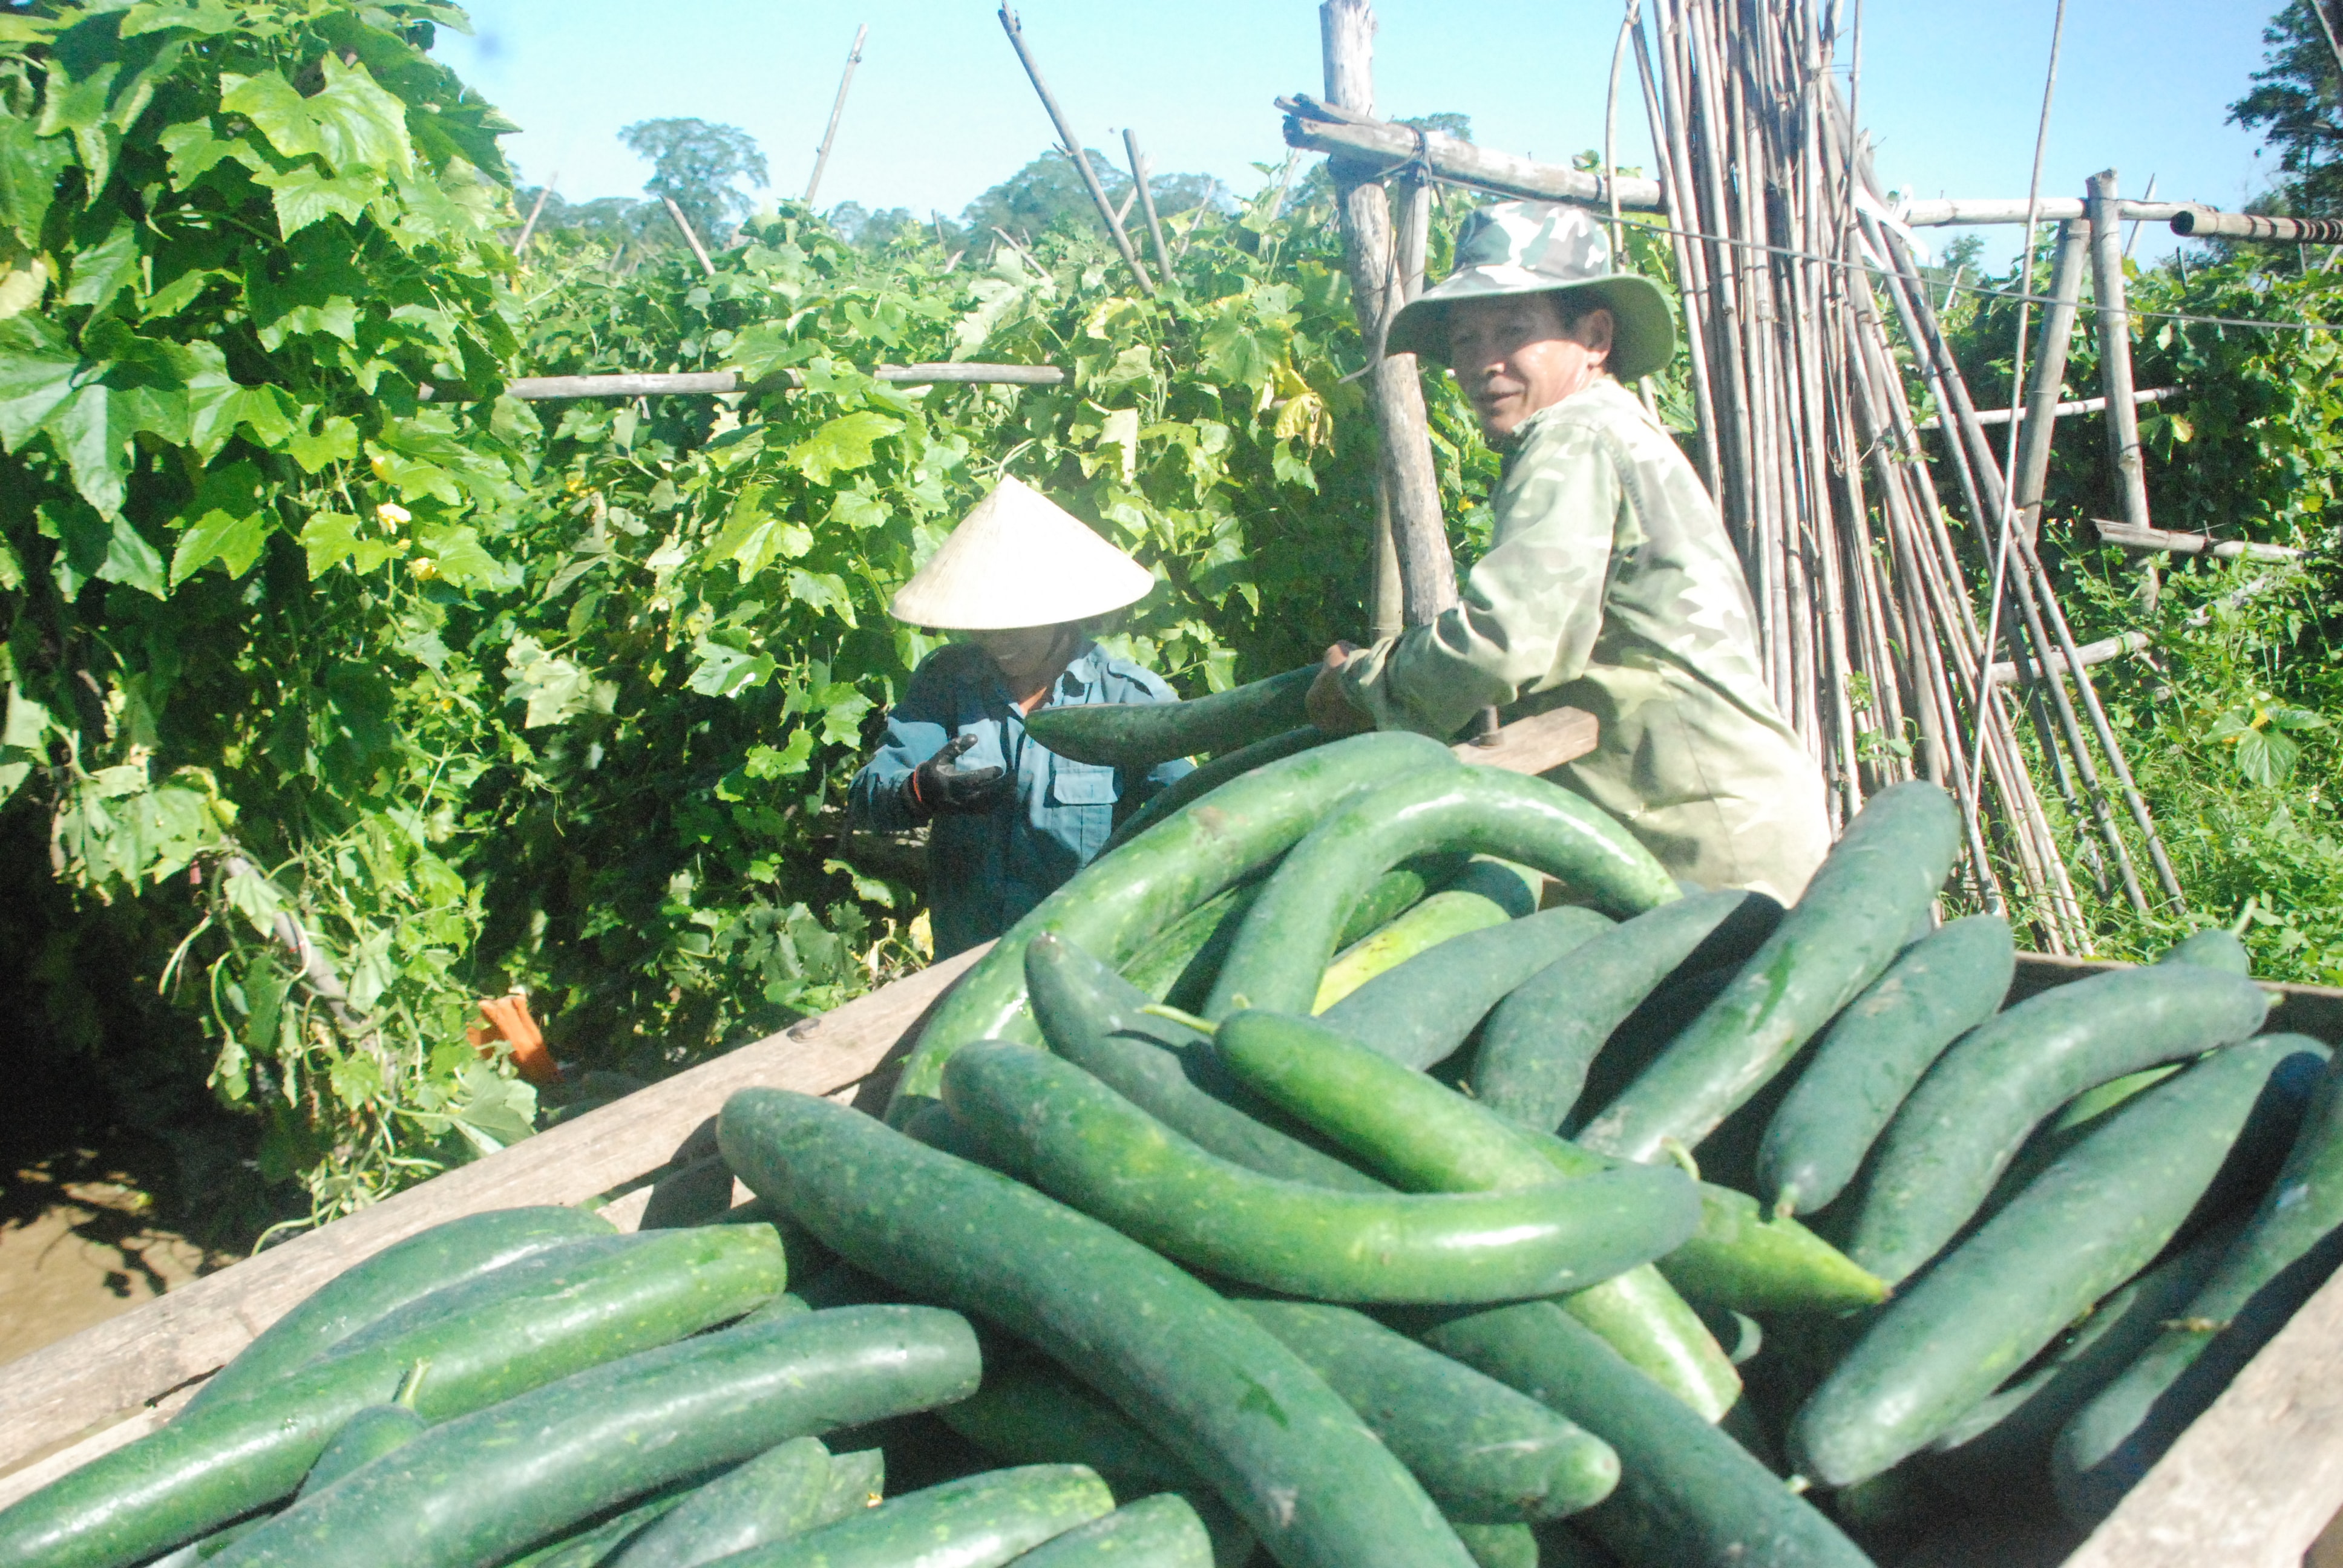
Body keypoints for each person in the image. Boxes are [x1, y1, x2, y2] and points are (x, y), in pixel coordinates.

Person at [1306, 201, 1829, 903]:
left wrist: (1363, 686)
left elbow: (1503, 641)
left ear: (1594, 336)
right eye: (1464, 339)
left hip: (1701, 852)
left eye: (1514, 331)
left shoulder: (1572, 436)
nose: (1483, 363)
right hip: (1710, 826)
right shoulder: (1613, 427)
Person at [848, 476, 1192, 958]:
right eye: (984, 625)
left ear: (1063, 613)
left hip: (1085, 958)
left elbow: (1191, 828)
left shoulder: (1130, 699)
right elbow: (869, 795)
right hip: (965, 960)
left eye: (1017, 622)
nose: (997, 639)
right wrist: (920, 791)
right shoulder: (945, 683)